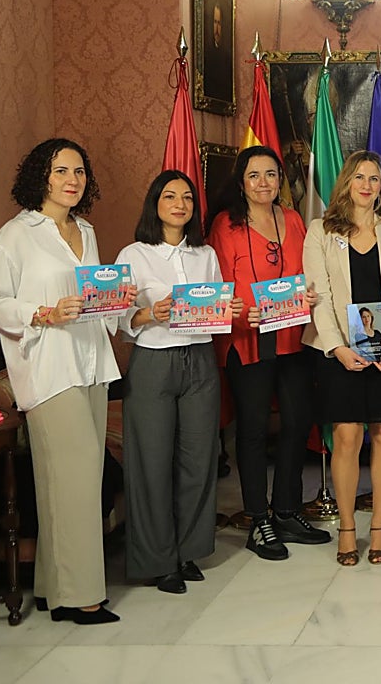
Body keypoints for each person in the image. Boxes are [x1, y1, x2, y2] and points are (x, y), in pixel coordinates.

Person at [0, 138, 130, 624]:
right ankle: (82, 597)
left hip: (91, 360)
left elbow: (93, 297)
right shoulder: (16, 235)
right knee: (78, 472)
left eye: (80, 172)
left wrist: (118, 299)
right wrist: (42, 314)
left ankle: (50, 585)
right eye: (61, 170)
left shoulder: (85, 231)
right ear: (40, 176)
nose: (73, 179)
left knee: (65, 478)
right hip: (48, 367)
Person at [116, 171, 241, 594]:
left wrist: (230, 306)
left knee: (198, 459)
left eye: (187, 197)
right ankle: (157, 558)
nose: (180, 204)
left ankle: (188, 551)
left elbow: (215, 308)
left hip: (200, 360)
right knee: (151, 461)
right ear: (155, 203)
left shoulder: (204, 254)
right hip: (153, 360)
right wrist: (153, 313)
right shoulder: (133, 254)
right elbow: (118, 318)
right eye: (170, 196)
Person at [206, 145, 329, 560]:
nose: (264, 183)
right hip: (247, 339)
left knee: (297, 422)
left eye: (271, 175)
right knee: (254, 431)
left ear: (281, 181)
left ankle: (288, 511)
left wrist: (310, 293)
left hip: (292, 336)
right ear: (241, 182)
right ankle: (259, 519)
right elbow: (219, 285)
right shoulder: (225, 225)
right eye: (254, 175)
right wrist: (243, 315)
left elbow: (304, 272)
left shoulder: (294, 219)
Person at [302, 151, 381, 566]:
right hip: (339, 353)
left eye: (374, 178)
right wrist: (338, 348)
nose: (367, 185)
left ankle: (380, 526)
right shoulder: (320, 231)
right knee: (347, 437)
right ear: (346, 182)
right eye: (359, 177)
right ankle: (348, 528)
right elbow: (322, 294)